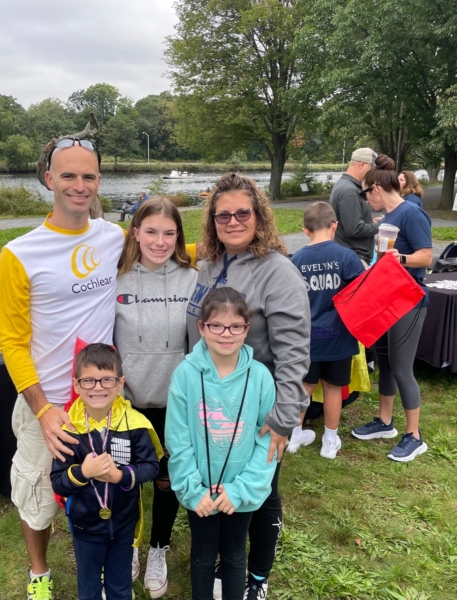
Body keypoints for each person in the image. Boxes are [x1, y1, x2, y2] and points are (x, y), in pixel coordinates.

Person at [0, 138, 125, 600]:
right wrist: (42, 408)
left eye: (88, 176)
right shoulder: (19, 254)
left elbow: (164, 251)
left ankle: (109, 562)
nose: (78, 185)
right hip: (46, 405)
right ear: (49, 180)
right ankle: (39, 573)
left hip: (104, 399)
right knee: (38, 500)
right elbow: (11, 341)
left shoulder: (113, 237)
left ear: (99, 182)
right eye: (67, 175)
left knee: (106, 489)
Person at [186, 173, 310, 599]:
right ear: (213, 220)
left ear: (258, 216)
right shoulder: (208, 265)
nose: (234, 221)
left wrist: (283, 418)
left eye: (243, 212)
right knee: (222, 486)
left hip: (259, 412)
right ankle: (226, 564)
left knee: (261, 492)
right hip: (210, 404)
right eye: (224, 215)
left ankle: (257, 577)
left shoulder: (279, 272)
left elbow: (295, 352)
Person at [167, 287, 277, 600]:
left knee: (233, 554)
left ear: (247, 327)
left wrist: (240, 490)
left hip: (239, 493)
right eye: (216, 325)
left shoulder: (260, 378)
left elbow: (267, 442)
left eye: (235, 326)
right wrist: (192, 488)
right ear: (201, 327)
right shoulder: (185, 375)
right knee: (202, 555)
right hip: (200, 490)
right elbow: (178, 438)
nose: (225, 334)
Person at [114, 197, 198, 598]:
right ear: (135, 232)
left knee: (166, 482)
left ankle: (158, 548)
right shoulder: (116, 278)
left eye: (169, 233)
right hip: (127, 404)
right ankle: (131, 543)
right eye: (151, 231)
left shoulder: (191, 278)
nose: (160, 241)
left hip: (173, 404)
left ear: (179, 235)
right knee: (127, 482)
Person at [50, 343, 162, 600]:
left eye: (107, 380)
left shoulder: (135, 425)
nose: (98, 387)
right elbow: (58, 482)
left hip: (123, 524)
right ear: (77, 385)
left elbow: (152, 467)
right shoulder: (69, 430)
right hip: (84, 526)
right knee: (88, 588)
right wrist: (83, 472)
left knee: (120, 586)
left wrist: (120, 476)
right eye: (89, 381)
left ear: (120, 382)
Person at [351, 154, 432, 462]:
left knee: (401, 368)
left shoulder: (411, 213)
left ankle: (415, 436)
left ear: (376, 189)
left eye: (364, 193)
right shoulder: (388, 218)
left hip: (408, 301)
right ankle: (385, 422)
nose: (365, 199)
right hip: (387, 299)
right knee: (384, 362)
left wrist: (400, 259)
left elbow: (426, 257)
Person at [289, 202, 364, 459]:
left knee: (303, 387)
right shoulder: (347, 256)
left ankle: (295, 434)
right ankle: (329, 441)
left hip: (306, 339)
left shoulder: (296, 260)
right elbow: (361, 295)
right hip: (338, 337)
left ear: (305, 230)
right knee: (333, 389)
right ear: (335, 225)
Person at [329, 147, 380, 268]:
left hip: (350, 257)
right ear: (362, 164)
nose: (374, 174)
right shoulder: (350, 191)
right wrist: (381, 225)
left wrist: (370, 222)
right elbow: (354, 229)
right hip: (354, 260)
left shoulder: (345, 186)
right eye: (372, 169)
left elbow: (348, 222)